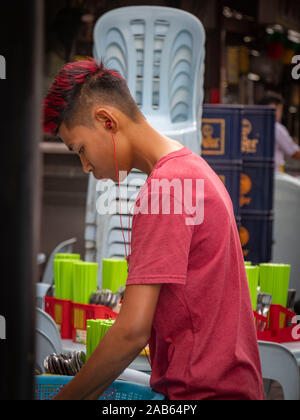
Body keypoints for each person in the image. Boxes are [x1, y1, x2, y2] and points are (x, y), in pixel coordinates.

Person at [42, 58, 265, 400]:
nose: (85, 165)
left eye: (81, 149)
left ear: (107, 121)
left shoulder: (166, 188)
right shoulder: (190, 169)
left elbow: (132, 331)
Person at [260, 92, 300, 172]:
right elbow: (294, 152)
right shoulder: (276, 128)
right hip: (274, 175)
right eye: (278, 109)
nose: (279, 113)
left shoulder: (254, 125)